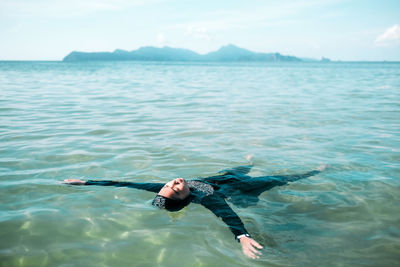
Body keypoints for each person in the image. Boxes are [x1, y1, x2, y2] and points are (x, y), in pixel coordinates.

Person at [64, 164, 326, 259]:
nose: (175, 182)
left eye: (171, 184)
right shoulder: (206, 198)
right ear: (185, 199)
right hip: (239, 189)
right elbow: (227, 214)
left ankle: (248, 161)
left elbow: (124, 182)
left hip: (223, 177)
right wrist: (242, 236)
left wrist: (87, 182)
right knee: (279, 179)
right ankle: (314, 171)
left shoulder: (163, 188)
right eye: (177, 187)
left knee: (236, 168)